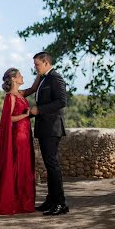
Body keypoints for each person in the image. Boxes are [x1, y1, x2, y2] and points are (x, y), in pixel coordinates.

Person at [0, 68, 40, 215]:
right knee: (17, 166)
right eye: (20, 75)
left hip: (25, 136)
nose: (22, 77)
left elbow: (33, 88)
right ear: (13, 79)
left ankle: (22, 202)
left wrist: (41, 75)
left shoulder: (20, 94)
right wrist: (26, 115)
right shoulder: (11, 97)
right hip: (17, 137)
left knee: (25, 167)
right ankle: (13, 202)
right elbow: (8, 119)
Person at [30, 51, 69, 216]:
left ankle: (60, 204)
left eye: (37, 64)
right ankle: (51, 200)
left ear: (46, 62)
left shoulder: (55, 77)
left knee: (53, 166)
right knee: (49, 166)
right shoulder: (43, 78)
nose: (35, 67)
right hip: (44, 128)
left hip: (52, 129)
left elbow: (62, 101)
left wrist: (39, 110)